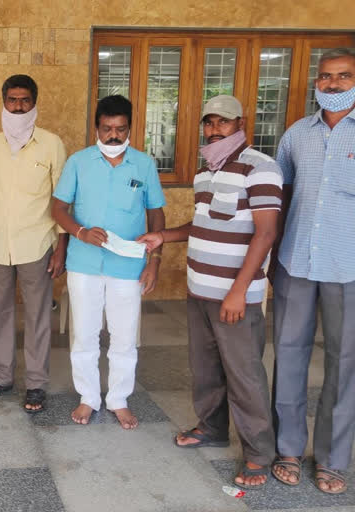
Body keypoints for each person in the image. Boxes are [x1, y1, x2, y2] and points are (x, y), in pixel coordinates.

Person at [139, 95, 281, 489]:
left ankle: (258, 454)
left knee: (244, 375)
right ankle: (212, 428)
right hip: (199, 290)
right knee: (205, 370)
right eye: (210, 122)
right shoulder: (206, 172)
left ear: (241, 124)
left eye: (224, 122)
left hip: (235, 297)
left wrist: (239, 290)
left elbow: (266, 232)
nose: (215, 129)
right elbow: (200, 225)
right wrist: (163, 235)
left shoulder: (261, 168)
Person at [51, 95, 165, 429]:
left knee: (124, 337)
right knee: (84, 335)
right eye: (106, 129)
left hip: (128, 265)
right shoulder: (78, 162)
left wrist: (155, 259)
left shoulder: (143, 165)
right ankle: (89, 396)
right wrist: (80, 231)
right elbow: (58, 208)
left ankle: (118, 399)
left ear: (130, 127)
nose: (113, 136)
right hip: (84, 263)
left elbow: (156, 212)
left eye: (120, 129)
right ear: (96, 127)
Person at [271, 48, 355, 494]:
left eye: (343, 77)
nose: (333, 84)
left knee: (345, 365)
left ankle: (332, 459)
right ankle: (287, 446)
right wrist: (272, 258)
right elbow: (280, 197)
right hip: (296, 261)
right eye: (325, 77)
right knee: (288, 354)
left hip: (349, 267)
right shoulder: (297, 134)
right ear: (315, 82)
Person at [0, 74, 67, 414]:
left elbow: (63, 199)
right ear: (3, 102)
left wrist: (62, 245)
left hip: (37, 241)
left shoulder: (51, 143)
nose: (18, 106)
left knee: (37, 315)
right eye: (12, 100)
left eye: (24, 100)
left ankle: (36, 384)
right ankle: (1, 377)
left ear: (34, 103)